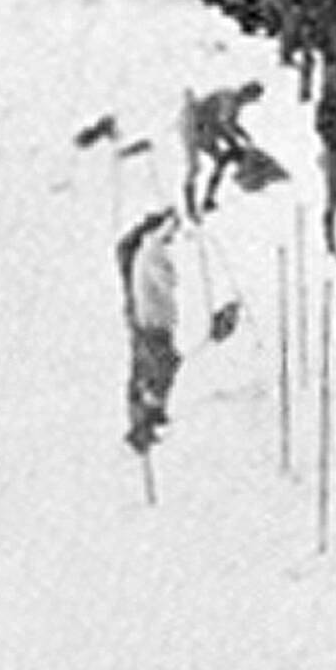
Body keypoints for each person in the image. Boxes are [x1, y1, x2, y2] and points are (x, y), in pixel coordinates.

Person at [118, 208, 182, 453]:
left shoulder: (144, 248)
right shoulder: (153, 249)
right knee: (162, 365)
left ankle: (146, 417)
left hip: (148, 316)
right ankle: (146, 419)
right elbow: (167, 280)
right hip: (153, 319)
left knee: (149, 367)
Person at [183, 80, 265, 217]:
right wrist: (233, 141)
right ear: (246, 93)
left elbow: (230, 124)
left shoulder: (235, 104)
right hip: (195, 128)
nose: (249, 102)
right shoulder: (228, 99)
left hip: (207, 131)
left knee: (220, 161)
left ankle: (208, 200)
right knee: (195, 168)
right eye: (251, 98)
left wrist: (244, 135)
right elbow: (223, 124)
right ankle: (191, 207)